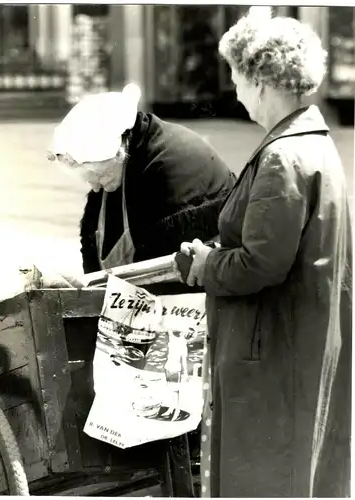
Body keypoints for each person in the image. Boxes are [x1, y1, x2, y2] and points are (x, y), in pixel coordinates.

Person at [180, 7, 352, 498]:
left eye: (236, 77)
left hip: (272, 352)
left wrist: (205, 264)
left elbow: (260, 263)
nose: (234, 90)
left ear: (260, 79)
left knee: (263, 477)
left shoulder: (282, 156)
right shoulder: (314, 144)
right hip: (301, 341)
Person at [47, 83, 236, 497]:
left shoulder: (167, 168)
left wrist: (99, 295)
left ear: (116, 152)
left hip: (199, 312)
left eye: (95, 174)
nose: (93, 186)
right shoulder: (125, 157)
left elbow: (168, 275)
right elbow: (93, 235)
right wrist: (85, 285)